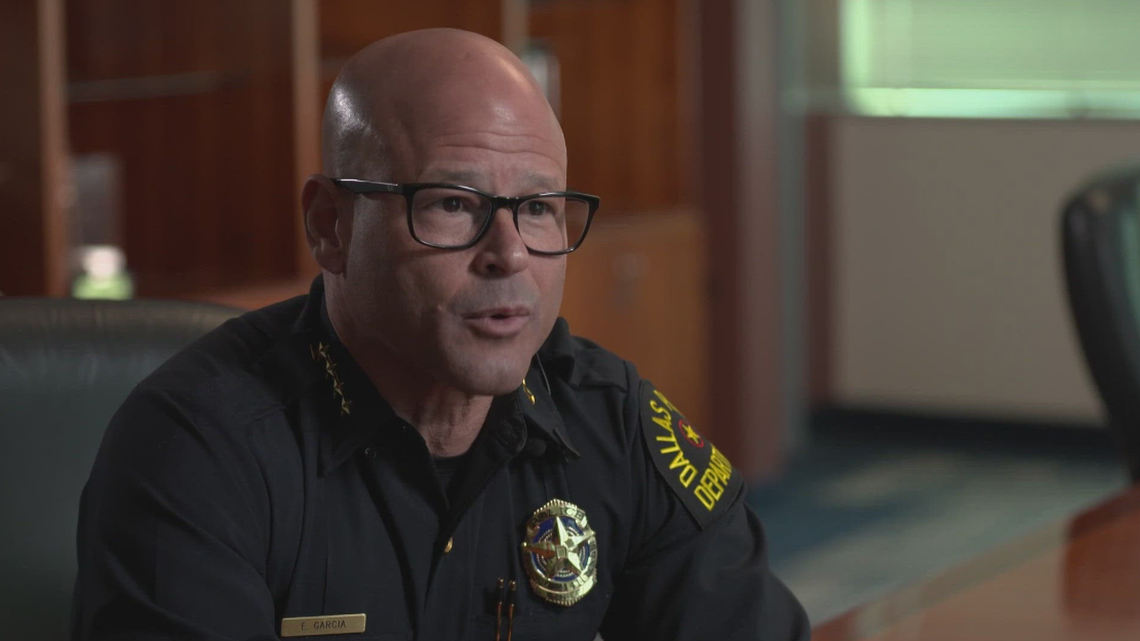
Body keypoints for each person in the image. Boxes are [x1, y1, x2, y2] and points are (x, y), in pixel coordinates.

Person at [71, 28, 809, 641]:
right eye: (454, 204)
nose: (510, 252)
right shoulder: (198, 450)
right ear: (331, 226)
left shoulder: (610, 421)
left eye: (540, 207)